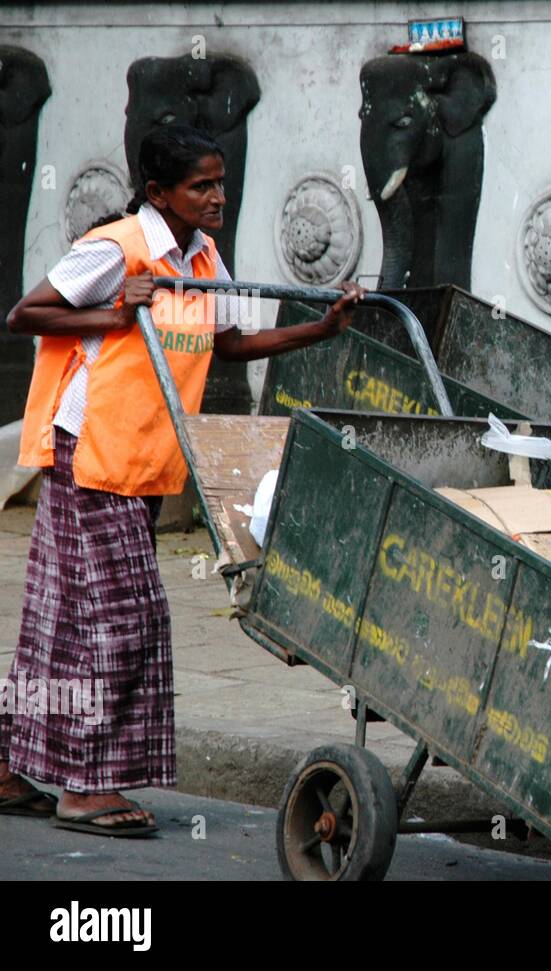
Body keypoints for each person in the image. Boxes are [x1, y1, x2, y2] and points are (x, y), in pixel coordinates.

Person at [0, 125, 365, 836]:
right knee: (127, 620)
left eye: (221, 182)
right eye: (201, 185)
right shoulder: (119, 248)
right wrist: (118, 308)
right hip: (93, 451)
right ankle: (86, 788)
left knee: (62, 619)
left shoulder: (200, 256)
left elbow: (227, 341)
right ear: (158, 191)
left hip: (142, 462)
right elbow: (25, 314)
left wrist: (318, 331)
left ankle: (8, 766)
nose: (217, 195)